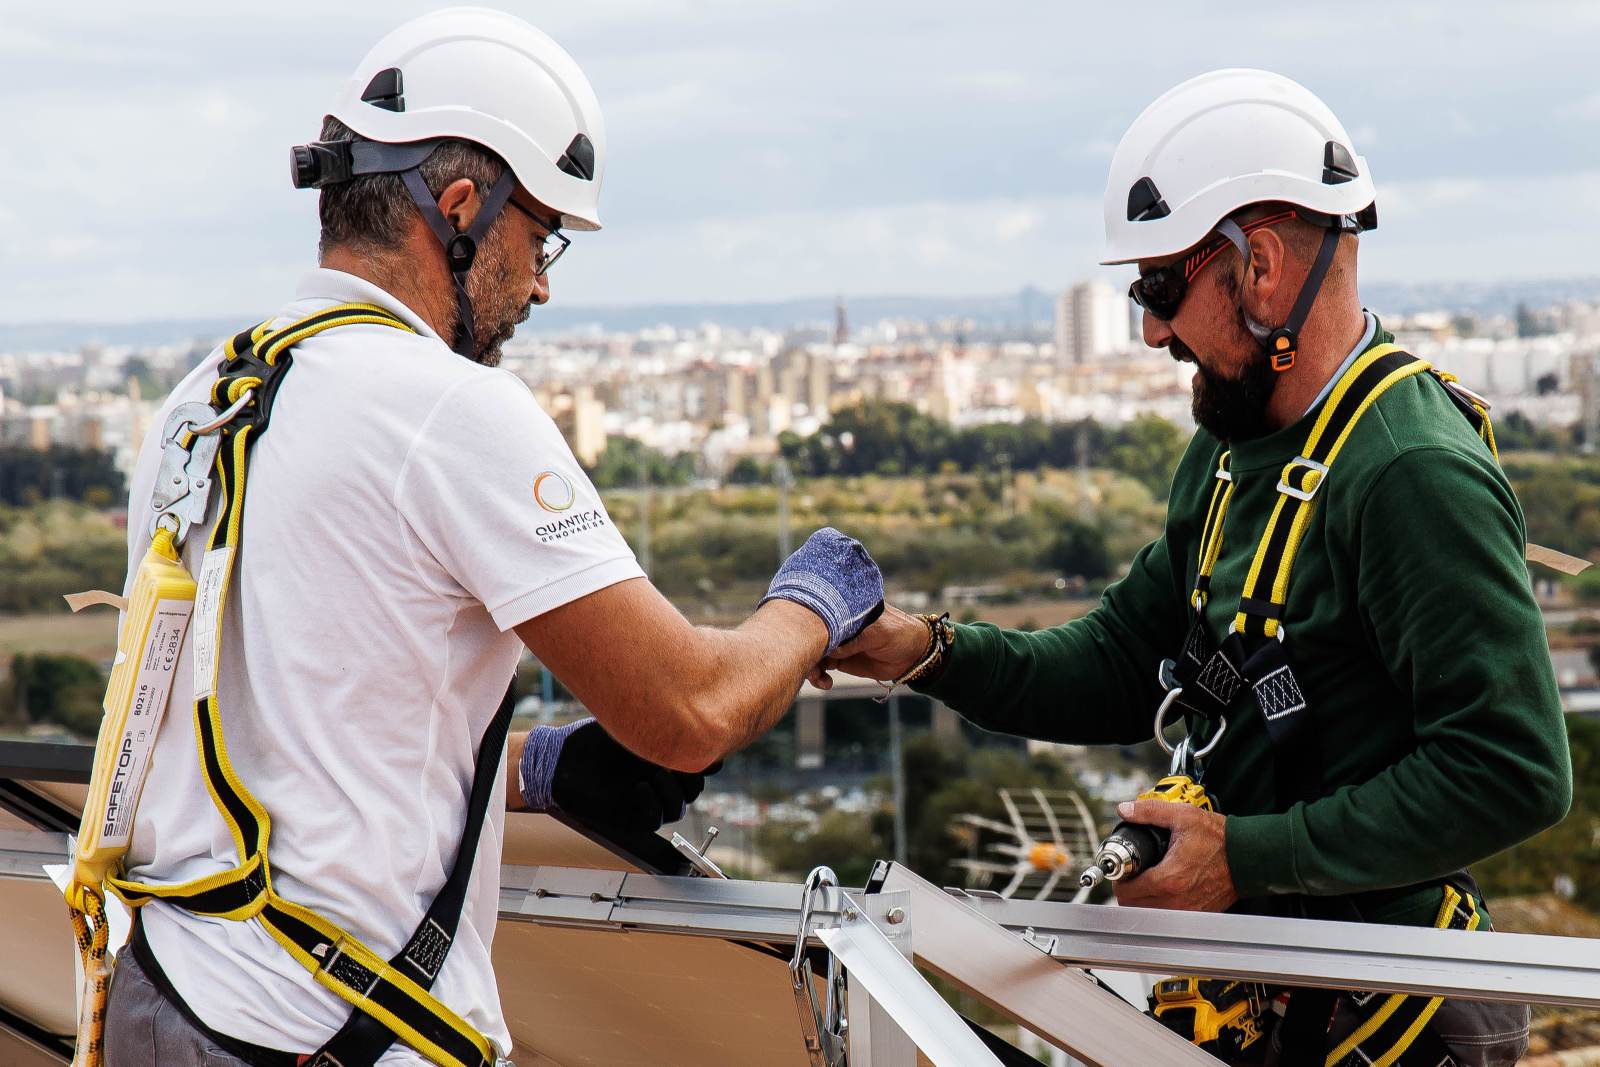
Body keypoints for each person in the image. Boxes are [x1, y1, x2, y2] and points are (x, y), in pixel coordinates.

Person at [98, 9, 882, 1067]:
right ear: (460, 206)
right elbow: (690, 709)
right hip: (332, 1032)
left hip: (169, 998)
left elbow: (301, 716)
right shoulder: (445, 408)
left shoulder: (208, 399)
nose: (544, 280)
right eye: (539, 235)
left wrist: (537, 766)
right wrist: (812, 604)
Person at [818, 69, 1570, 1067]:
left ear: (1260, 264)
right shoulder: (1233, 446)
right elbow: (1126, 660)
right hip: (1269, 985)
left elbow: (1511, 768)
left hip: (1387, 1016)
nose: (1150, 330)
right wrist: (924, 651)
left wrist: (1247, 859)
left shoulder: (1406, 472)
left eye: (1161, 288)